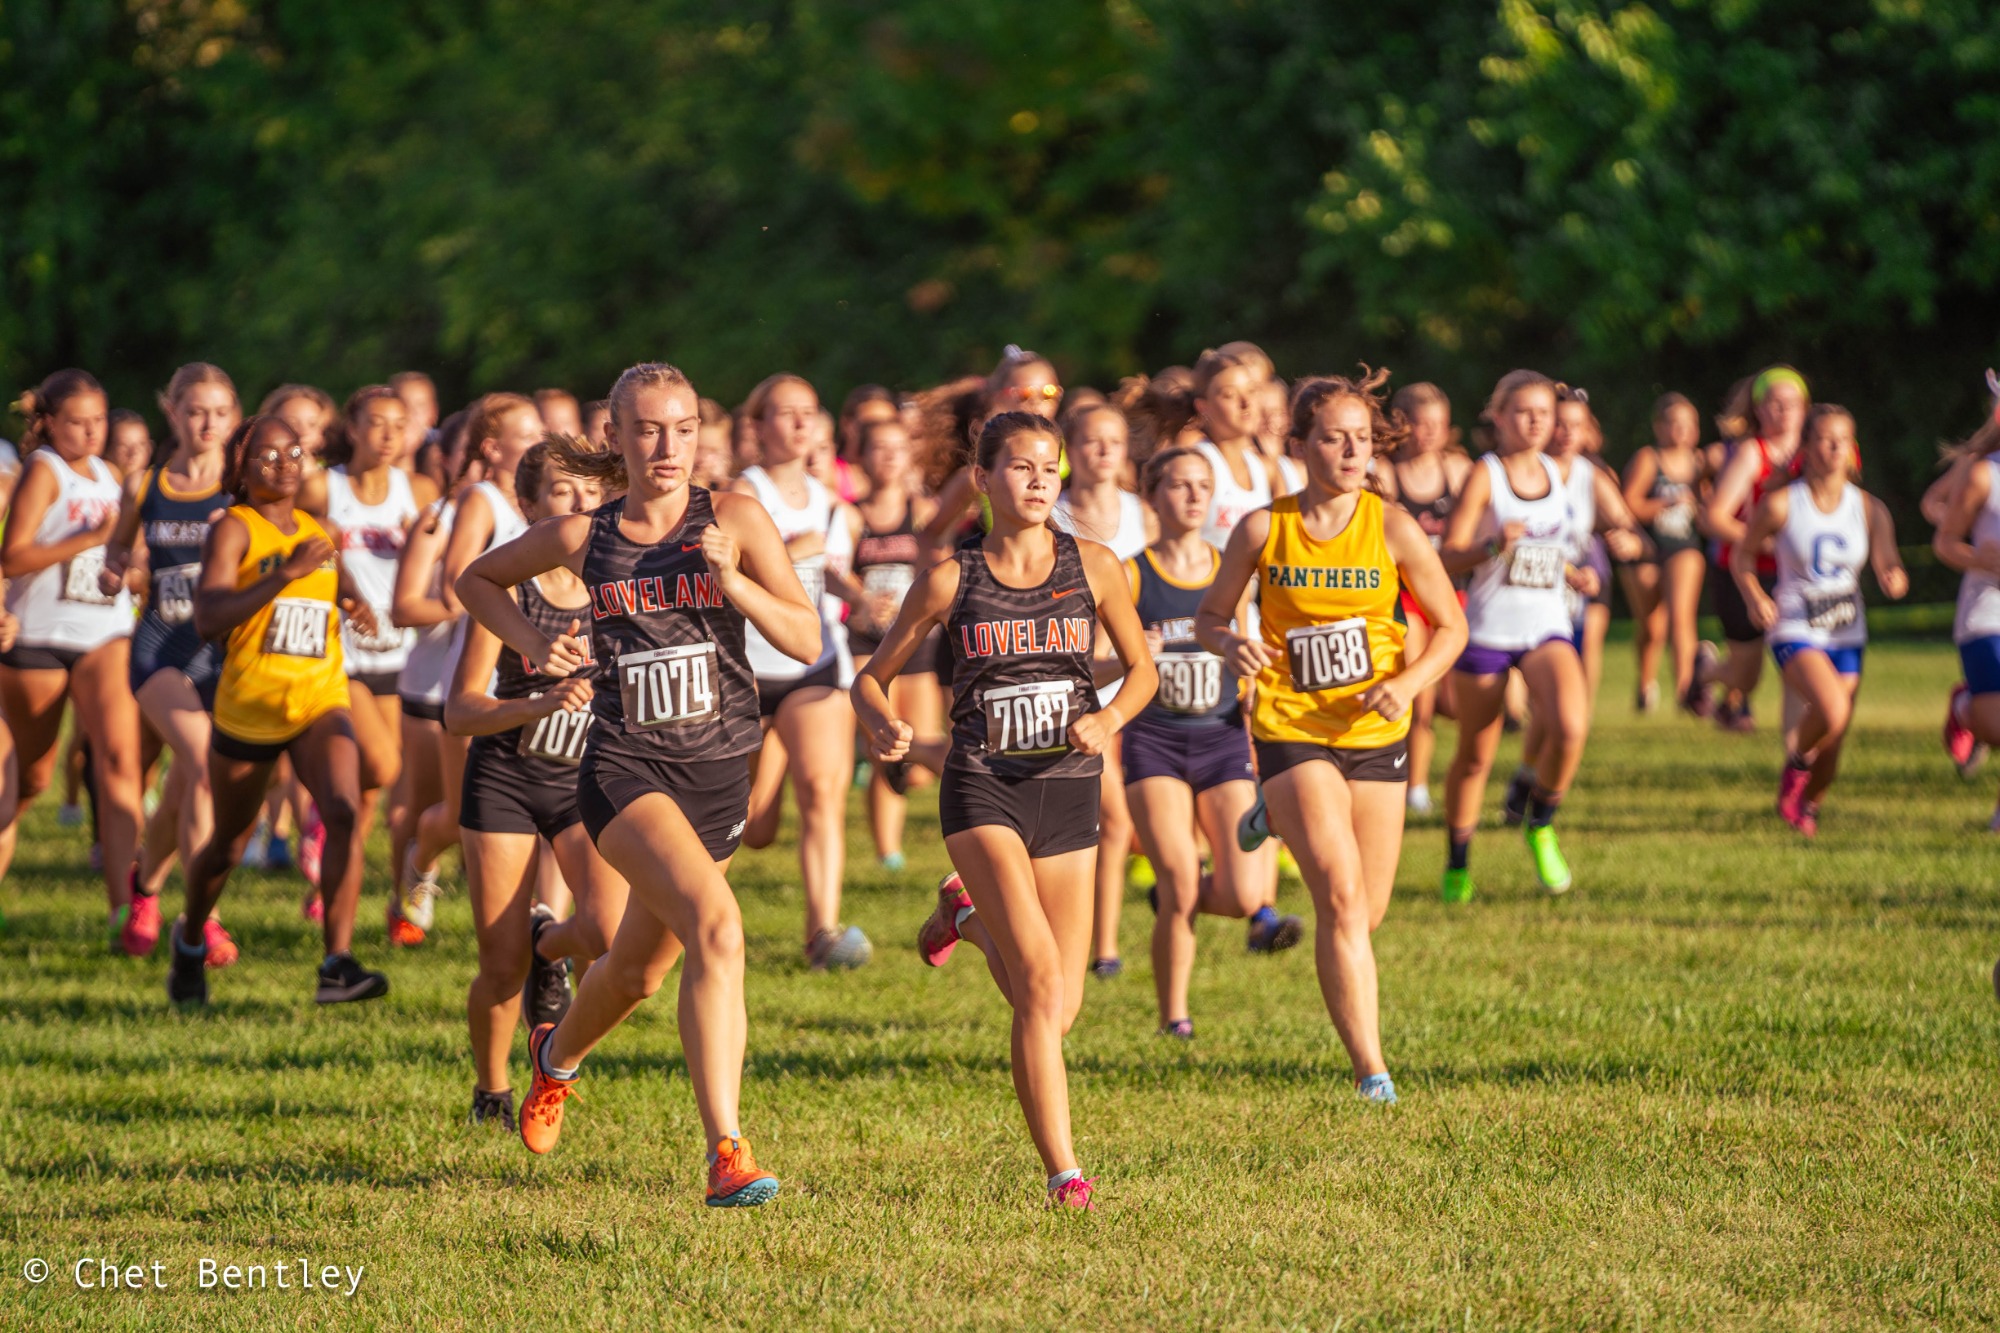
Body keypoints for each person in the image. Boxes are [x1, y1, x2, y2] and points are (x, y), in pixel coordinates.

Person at [457, 361, 822, 1208]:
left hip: (721, 772)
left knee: (636, 974)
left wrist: (734, 584)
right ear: (616, 437)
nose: (669, 445)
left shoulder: (734, 517)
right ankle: (726, 1150)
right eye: (650, 429)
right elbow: (475, 580)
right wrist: (530, 643)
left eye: (685, 427)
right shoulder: (585, 535)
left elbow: (804, 639)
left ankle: (554, 1059)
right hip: (626, 770)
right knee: (719, 929)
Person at [857, 410, 1156, 1210]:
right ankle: (1066, 1172)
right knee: (1035, 982)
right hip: (983, 783)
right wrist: (883, 721)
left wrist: (1110, 718)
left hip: (1068, 783)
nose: (1038, 482)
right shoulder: (953, 579)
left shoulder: (1094, 565)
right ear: (983, 480)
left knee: (1062, 1006)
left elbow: (1143, 671)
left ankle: (962, 920)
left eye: (1049, 469)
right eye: (1020, 468)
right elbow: (870, 676)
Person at [1199, 371, 1465, 1102]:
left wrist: (1407, 684)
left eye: (1360, 438)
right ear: (1301, 445)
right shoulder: (1264, 526)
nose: (1351, 451)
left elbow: (1451, 626)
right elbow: (1211, 616)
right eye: (1332, 437)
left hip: (1375, 728)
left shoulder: (1393, 526)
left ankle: (1273, 818)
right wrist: (1232, 645)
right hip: (1291, 725)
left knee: (1367, 912)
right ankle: (1371, 1068)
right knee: (1342, 901)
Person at [166, 414, 388, 1007]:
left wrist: (355, 604)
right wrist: (285, 571)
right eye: (267, 454)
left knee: (343, 809)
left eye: (294, 451)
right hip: (250, 707)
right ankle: (189, 940)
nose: (284, 462)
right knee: (229, 845)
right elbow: (209, 619)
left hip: (319, 695)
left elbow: (331, 591)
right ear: (241, 466)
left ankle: (336, 965)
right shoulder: (233, 530)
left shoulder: (322, 530)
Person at [446, 439, 628, 1130]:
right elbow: (460, 709)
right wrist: (538, 702)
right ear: (528, 506)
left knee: (610, 932)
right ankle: (491, 1091)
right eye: (562, 492)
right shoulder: (510, 590)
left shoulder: (617, 585)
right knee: (497, 963)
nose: (581, 505)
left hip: (586, 779)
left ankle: (548, 947)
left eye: (590, 492)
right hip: (505, 778)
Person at [1120, 443, 1301, 1036]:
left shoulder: (1232, 568)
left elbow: (1251, 652)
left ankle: (1176, 903)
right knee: (1176, 874)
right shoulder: (1132, 572)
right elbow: (1090, 658)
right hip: (1156, 742)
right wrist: (1127, 658)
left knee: (1245, 890)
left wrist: (1257, 689)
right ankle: (1175, 1017)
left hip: (1222, 738)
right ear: (1155, 494)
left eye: (1203, 485)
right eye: (1180, 484)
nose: (1196, 495)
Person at [0, 370, 148, 950]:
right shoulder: (44, 470)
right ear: (49, 424)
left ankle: (126, 912)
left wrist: (128, 568)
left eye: (98, 421)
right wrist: (91, 539)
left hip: (105, 633)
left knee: (117, 763)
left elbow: (125, 553)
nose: (90, 432)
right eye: (76, 422)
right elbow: (12, 556)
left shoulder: (113, 477)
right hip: (39, 635)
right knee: (32, 775)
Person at [100, 363, 241, 962]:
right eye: (194, 410)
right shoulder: (145, 484)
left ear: (234, 418)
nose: (206, 423)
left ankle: (146, 888)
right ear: (172, 412)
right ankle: (201, 920)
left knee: (186, 783)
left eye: (218, 412)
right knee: (204, 767)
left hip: (223, 655)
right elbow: (118, 550)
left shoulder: (243, 488)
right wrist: (119, 572)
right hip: (159, 649)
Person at [732, 374, 871, 969]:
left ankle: (822, 934)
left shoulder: (833, 503)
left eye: (807, 413)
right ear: (758, 426)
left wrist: (860, 596)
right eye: (784, 413)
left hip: (814, 661)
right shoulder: (740, 495)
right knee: (750, 824)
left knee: (821, 791)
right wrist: (795, 551)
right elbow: (728, 572)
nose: (797, 424)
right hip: (746, 667)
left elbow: (830, 573)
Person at [1436, 370, 1592, 901]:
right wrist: (1489, 547)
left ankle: (1541, 821)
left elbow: (1551, 551)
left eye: (1544, 413)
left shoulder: (1557, 472)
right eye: (1523, 412)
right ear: (1497, 417)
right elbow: (1448, 555)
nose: (1534, 422)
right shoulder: (1487, 475)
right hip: (1488, 629)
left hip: (1545, 624)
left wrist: (1575, 574)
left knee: (1570, 725)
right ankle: (1458, 862)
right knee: (1476, 755)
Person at [398, 392, 543, 939]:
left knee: (547, 810)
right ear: (493, 448)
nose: (539, 443)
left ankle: (538, 926)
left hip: (536, 674)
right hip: (478, 673)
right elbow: (460, 578)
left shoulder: (550, 502)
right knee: (461, 817)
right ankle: (420, 858)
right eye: (527, 436)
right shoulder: (483, 499)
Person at [1734, 406, 1905, 836]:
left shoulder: (1869, 509)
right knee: (1832, 709)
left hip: (1847, 630)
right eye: (1825, 439)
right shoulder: (1780, 504)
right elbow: (1742, 556)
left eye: (1842, 440)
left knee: (1835, 736)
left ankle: (1807, 805)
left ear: (1853, 449)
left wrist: (1893, 577)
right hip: (1795, 624)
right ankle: (1795, 766)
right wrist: (1755, 596)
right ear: (1806, 447)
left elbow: (1889, 561)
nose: (1834, 448)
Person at [317, 387, 432, 937]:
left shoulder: (421, 491)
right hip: (342, 654)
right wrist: (339, 581)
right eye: (377, 424)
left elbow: (444, 561)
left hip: (402, 653)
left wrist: (421, 546)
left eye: (398, 425)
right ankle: (328, 857)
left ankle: (395, 903)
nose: (388, 435)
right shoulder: (326, 487)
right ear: (353, 427)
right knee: (384, 768)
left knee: (384, 795)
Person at [1051, 402, 1152, 978]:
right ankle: (1101, 946)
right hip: (1077, 680)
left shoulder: (1144, 513)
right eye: (1091, 441)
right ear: (1070, 451)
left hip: (1139, 674)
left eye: (1115, 440)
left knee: (1120, 818)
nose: (1105, 451)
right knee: (1109, 815)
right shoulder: (1052, 516)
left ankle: (1104, 942)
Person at [838, 415, 940, 870]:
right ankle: (888, 851)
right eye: (880, 447)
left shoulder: (924, 512)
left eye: (900, 447)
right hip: (867, 642)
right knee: (888, 743)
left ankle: (880, 783)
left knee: (917, 761)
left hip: (917, 639)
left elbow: (944, 556)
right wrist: (858, 596)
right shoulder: (850, 514)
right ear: (861, 455)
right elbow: (829, 566)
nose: (891, 456)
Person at [1379, 381, 1472, 817]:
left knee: (1462, 703)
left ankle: (1455, 771)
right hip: (1407, 597)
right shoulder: (1385, 472)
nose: (1431, 433)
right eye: (1421, 424)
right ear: (1401, 426)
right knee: (1422, 694)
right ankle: (1415, 786)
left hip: (1452, 594)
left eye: (1439, 424)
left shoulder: (1457, 470)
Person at [1701, 366, 1810, 733]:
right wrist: (1758, 539)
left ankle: (1796, 762)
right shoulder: (1752, 453)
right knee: (1746, 678)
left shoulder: (1819, 450)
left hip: (1796, 574)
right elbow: (1713, 517)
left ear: (1805, 408)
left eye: (1791, 403)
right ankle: (1706, 671)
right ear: (1758, 409)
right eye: (1774, 403)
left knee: (1800, 666)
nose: (1783, 411)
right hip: (1744, 571)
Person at [1932, 376, 2000, 826]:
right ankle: (1966, 709)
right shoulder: (1983, 473)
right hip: (1986, 614)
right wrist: (1979, 557)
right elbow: (1944, 542)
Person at [1621, 393, 1710, 714]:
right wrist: (1666, 504)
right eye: (1675, 423)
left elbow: (1709, 510)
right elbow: (1627, 505)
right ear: (1659, 427)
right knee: (1650, 625)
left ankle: (1689, 692)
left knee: (1681, 617)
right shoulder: (1649, 459)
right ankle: (1645, 685)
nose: (1682, 431)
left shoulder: (1700, 463)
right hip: (1645, 551)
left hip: (1683, 548)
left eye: (1690, 424)